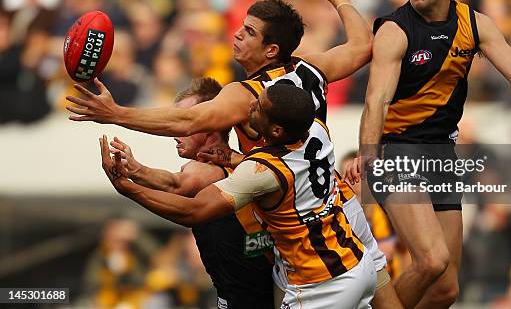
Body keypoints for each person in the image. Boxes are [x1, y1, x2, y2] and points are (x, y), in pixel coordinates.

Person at [67, 0, 399, 307]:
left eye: (250, 32)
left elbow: (188, 121)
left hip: (303, 238)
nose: (237, 34)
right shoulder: (310, 68)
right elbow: (361, 45)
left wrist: (115, 114)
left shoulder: (248, 94)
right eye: (242, 25)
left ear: (271, 50)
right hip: (340, 209)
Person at [345, 0, 511, 308]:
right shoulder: (395, 30)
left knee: (446, 290)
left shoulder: (474, 24)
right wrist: (368, 152)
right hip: (397, 150)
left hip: (441, 152)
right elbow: (376, 99)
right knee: (432, 260)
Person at [100, 84, 377, 308]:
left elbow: (189, 206)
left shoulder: (258, 171)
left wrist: (129, 185)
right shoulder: (315, 130)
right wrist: (233, 157)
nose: (249, 106)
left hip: (321, 282)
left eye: (258, 107)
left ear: (276, 129)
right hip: (354, 262)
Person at [108, 77, 274, 308]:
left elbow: (177, 185)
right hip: (242, 294)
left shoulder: (208, 169)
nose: (175, 133)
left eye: (185, 123)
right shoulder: (241, 165)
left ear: (208, 124)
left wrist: (133, 172)